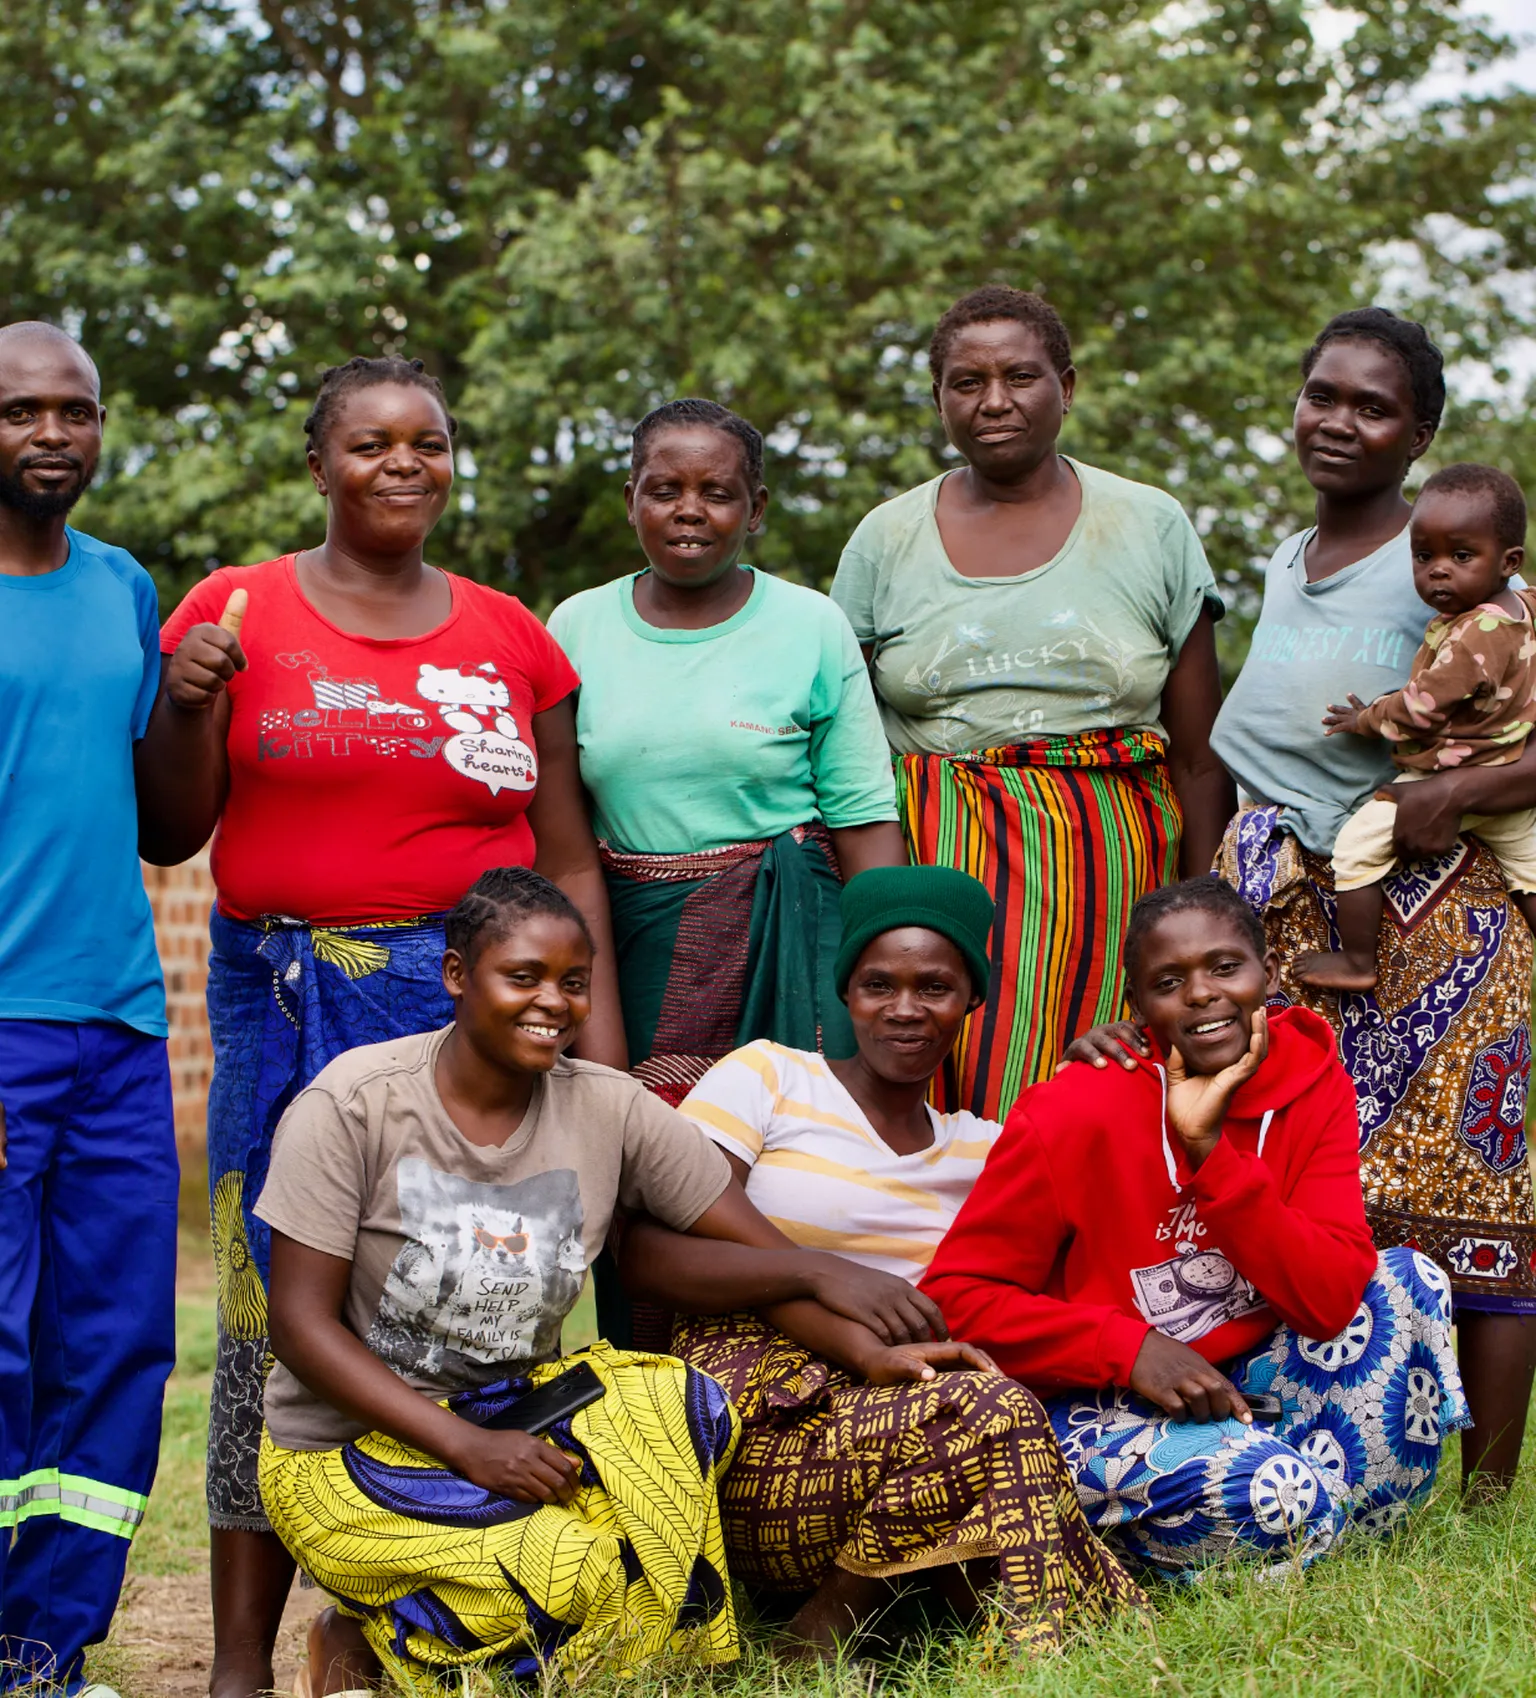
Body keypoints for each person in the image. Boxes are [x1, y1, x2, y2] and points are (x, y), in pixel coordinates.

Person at [136, 356, 625, 1698]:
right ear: (320, 464)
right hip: (285, 994)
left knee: (450, 1299)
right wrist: (187, 695)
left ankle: (374, 1613)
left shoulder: (514, 635)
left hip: (464, 1002)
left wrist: (608, 1050)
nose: (403, 463)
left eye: (430, 441)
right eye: (370, 443)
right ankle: (240, 1659)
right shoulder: (237, 608)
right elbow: (167, 828)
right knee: (265, 1311)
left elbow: (570, 857)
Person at [255, 867, 1000, 1689]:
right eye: (523, 977)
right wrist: (469, 1450)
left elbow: (760, 1257)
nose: (554, 1004)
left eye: (574, 984)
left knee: (675, 1406)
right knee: (570, 1574)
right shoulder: (354, 1103)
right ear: (457, 975)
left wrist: (854, 1329)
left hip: (515, 1418)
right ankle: (368, 1642)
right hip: (346, 1448)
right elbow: (298, 1325)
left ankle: (637, 1649)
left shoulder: (606, 1107)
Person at [619, 867, 1143, 1660]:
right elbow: (650, 1253)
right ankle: (841, 1626)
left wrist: (1099, 1082)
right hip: (751, 1433)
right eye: (877, 985)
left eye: (934, 986)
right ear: (847, 992)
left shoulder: (984, 1148)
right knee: (992, 1415)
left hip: (905, 1422)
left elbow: (1119, 1204)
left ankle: (976, 1636)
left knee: (988, 1410)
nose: (904, 1010)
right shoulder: (769, 1077)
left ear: (972, 1000)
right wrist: (820, 1272)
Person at [1207, 308, 1536, 1498]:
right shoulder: (1292, 552)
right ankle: (1334, 1455)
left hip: (1435, 905)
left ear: (1421, 434)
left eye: (1372, 406)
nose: (1337, 421)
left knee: (1468, 1183)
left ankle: (1489, 1490)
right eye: (1322, 395)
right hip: (1294, 895)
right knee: (1312, 1178)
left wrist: (1476, 788)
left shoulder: (1460, 560)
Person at [923, 877, 1467, 1576]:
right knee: (1278, 1490)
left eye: (1225, 967)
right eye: (1169, 981)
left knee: (1408, 1283)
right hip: (1097, 1401)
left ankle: (1323, 1526)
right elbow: (957, 1297)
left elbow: (1330, 1298)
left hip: (1246, 1377)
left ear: (1268, 973)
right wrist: (1127, 1346)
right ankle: (1177, 1529)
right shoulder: (1073, 1108)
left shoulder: (1314, 1077)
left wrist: (1211, 1154)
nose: (1203, 994)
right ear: (1139, 1005)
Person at [548, 398, 906, 1345]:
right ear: (631, 501)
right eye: (665, 490)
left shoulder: (811, 626)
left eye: (718, 492)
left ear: (756, 510)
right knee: (646, 1178)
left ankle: (816, 1411)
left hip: (794, 937)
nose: (690, 510)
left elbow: (865, 823)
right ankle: (668, 1413)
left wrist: (883, 984)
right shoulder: (578, 628)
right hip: (633, 941)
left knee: (797, 1169)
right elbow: (566, 834)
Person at [831, 286, 1233, 1119]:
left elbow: (1198, 754)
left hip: (1115, 859)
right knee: (945, 1079)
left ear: (1068, 386)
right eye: (965, 383)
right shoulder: (886, 538)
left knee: (1108, 1087)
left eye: (1021, 377)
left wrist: (1200, 913)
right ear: (940, 398)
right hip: (940, 859)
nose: (994, 403)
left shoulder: (1149, 524)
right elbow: (847, 742)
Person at [0, 322, 177, 1698]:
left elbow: (167, 826)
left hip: (118, 1026)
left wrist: (188, 703)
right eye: (20, 411)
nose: (51, 434)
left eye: (76, 410)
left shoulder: (124, 587)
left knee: (114, 1336)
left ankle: (44, 1649)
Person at [1298, 462, 1536, 988]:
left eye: (1462, 555)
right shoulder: (1521, 607)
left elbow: (1421, 709)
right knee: (1529, 876)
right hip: (1506, 781)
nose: (1439, 570)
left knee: (1356, 849)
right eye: (1424, 556)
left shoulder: (1478, 631)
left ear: (1508, 561)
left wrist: (1365, 717)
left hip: (1442, 778)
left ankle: (1358, 963)